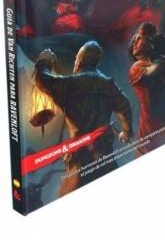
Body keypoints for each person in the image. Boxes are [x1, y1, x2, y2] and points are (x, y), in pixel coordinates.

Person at [33, 41, 132, 196]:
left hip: (79, 159)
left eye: (76, 59)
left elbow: (42, 80)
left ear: (79, 61)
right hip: (105, 154)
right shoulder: (109, 84)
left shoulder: (69, 84)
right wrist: (126, 131)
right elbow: (125, 107)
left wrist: (44, 61)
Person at [127, 22, 165, 154]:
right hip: (151, 134)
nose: (135, 41)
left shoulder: (159, 67)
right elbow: (156, 67)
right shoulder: (137, 67)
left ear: (151, 43)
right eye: (136, 38)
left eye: (141, 38)